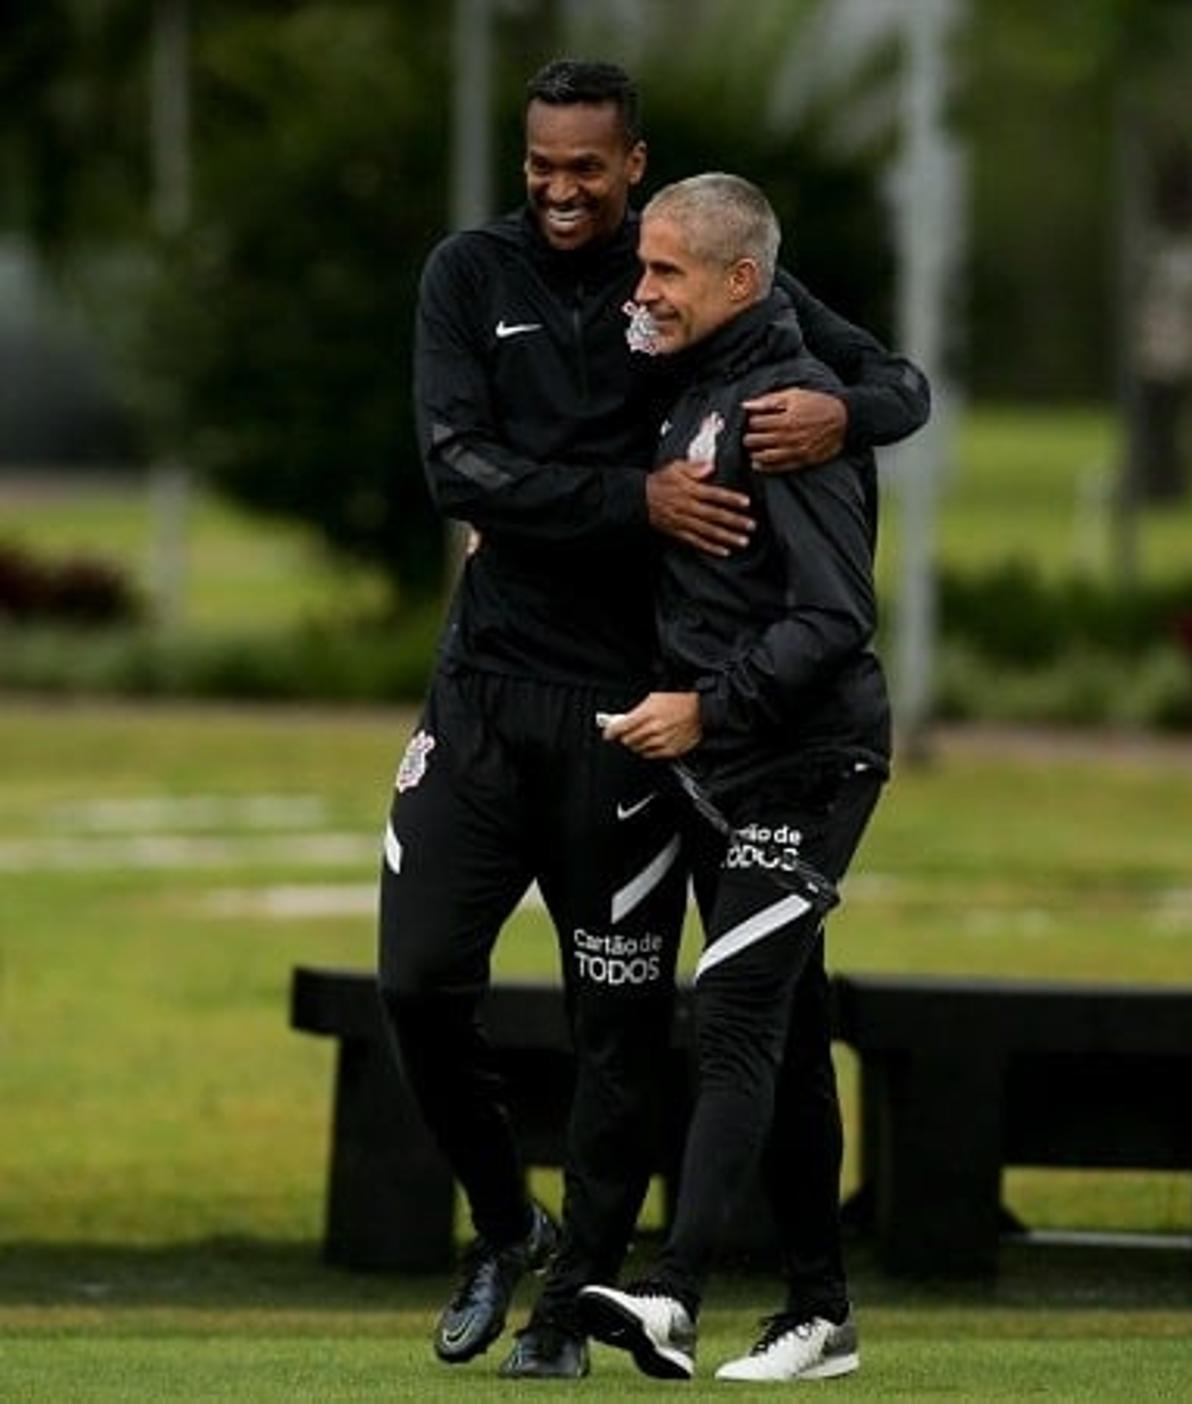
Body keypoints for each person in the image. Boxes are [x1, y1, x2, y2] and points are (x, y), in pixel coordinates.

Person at [378, 61, 927, 1381]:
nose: (561, 191)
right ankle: (508, 1226)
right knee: (416, 979)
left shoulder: (701, 270)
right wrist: (635, 501)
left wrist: (845, 413)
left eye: (586, 168)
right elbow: (459, 469)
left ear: (633, 163)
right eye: (539, 166)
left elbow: (895, 388)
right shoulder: (472, 276)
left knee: (631, 1027)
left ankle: (580, 1312)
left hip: (632, 718)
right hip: (484, 692)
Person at [577, 173, 889, 1384]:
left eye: (665, 273)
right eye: (642, 267)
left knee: (736, 1008)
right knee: (792, 1034)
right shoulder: (694, 385)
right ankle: (822, 1315)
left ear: (740, 282)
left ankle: (673, 1291)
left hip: (807, 762)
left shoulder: (786, 410)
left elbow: (836, 618)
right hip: (723, 767)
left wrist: (707, 704)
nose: (641, 290)